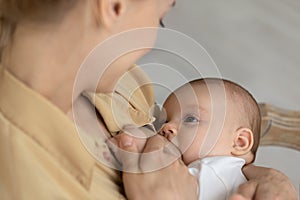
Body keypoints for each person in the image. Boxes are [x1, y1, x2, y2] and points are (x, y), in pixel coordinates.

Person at [0, 0, 297, 200]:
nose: (166, 128)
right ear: (115, 6)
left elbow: (214, 135)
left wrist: (267, 178)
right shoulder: (27, 179)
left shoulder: (122, 80)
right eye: (159, 18)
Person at [158, 78, 261, 199]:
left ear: (240, 142)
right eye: (164, 121)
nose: (166, 127)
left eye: (191, 119)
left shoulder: (209, 170)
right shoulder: (231, 177)